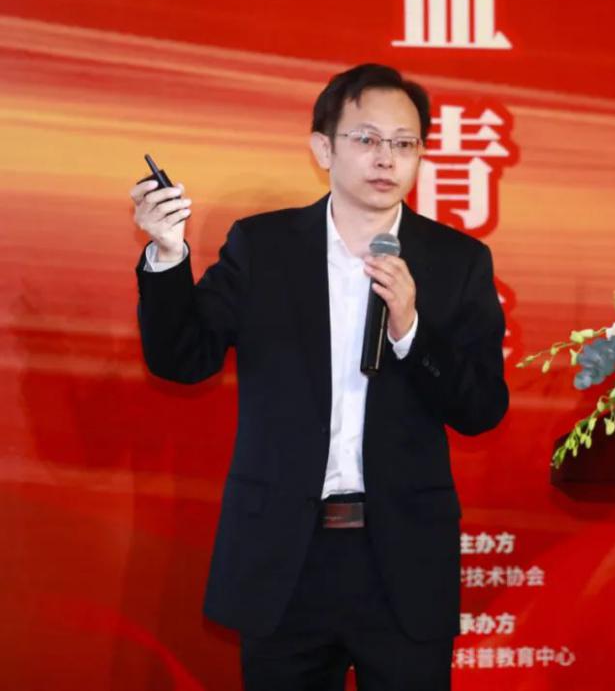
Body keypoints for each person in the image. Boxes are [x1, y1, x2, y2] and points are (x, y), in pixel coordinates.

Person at [131, 63, 508, 690]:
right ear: (323, 148)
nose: (386, 158)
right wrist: (169, 255)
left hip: (402, 559)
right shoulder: (264, 247)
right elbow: (182, 358)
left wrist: (411, 328)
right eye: (367, 139)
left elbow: (482, 408)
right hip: (285, 554)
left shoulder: (456, 261)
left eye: (404, 143)